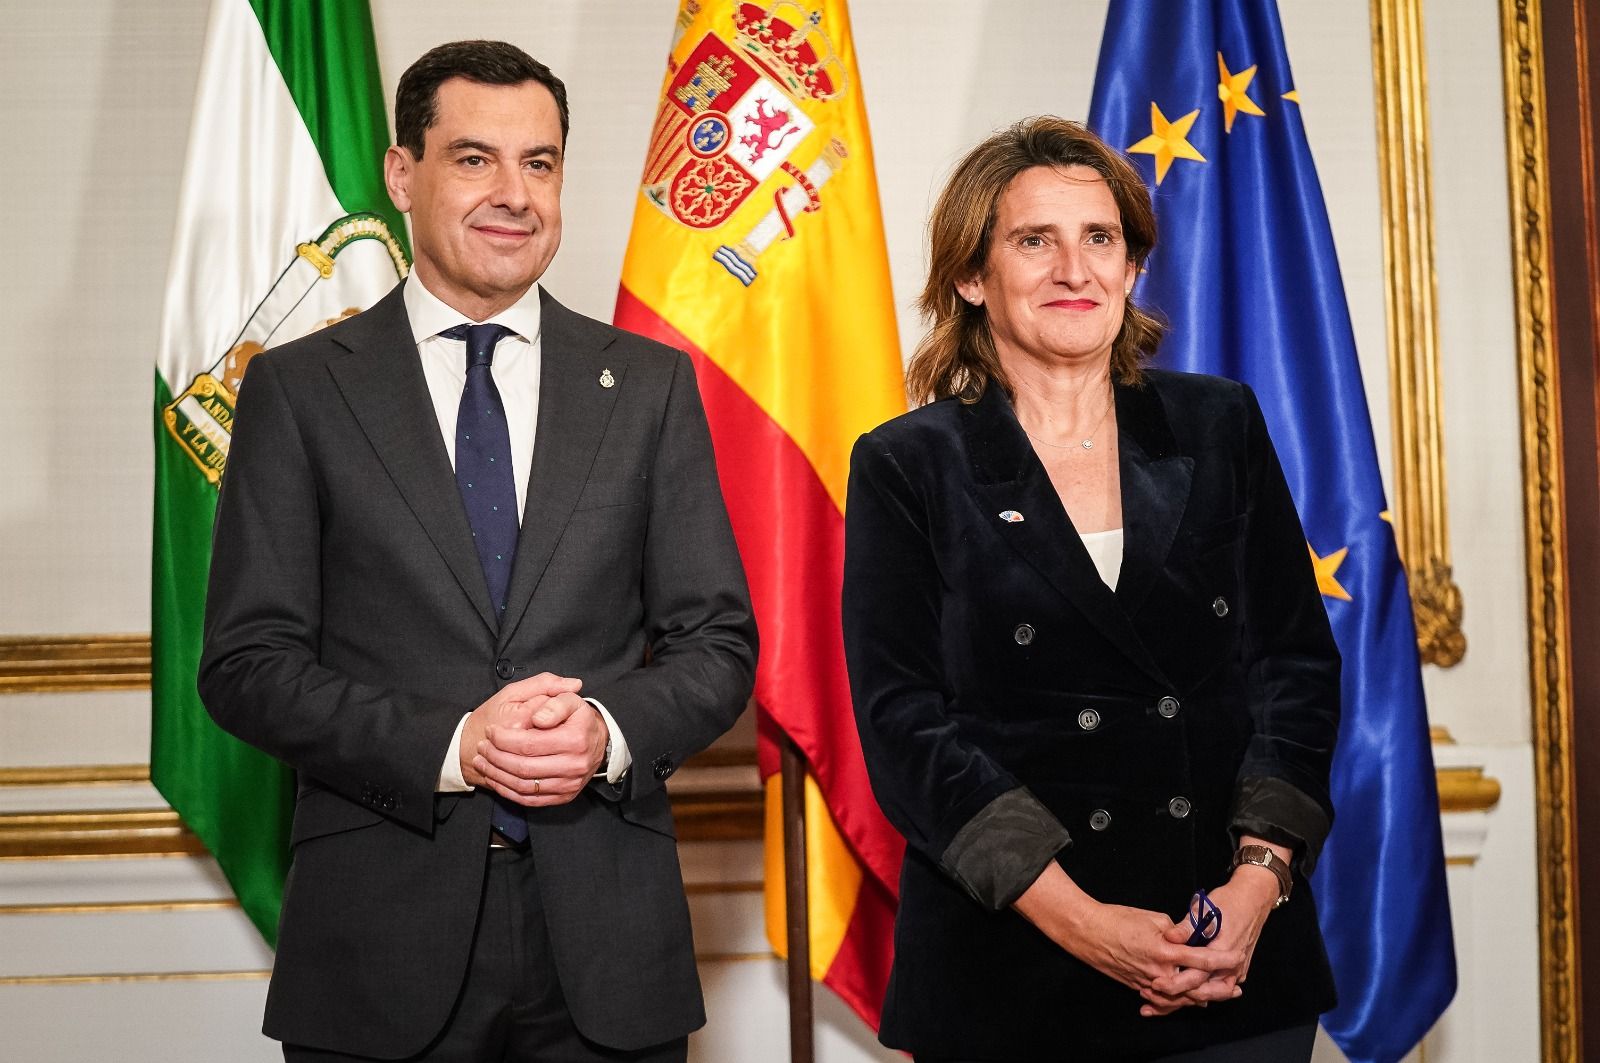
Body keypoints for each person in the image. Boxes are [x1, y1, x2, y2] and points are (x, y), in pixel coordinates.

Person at [198, 40, 756, 1063]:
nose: (513, 194)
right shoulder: (299, 390)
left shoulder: (646, 385)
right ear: (401, 172)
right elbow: (247, 666)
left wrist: (602, 729)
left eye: (538, 163)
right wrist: (455, 745)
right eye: (474, 159)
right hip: (377, 941)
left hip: (608, 944)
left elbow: (716, 641)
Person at [841, 116, 1340, 1062]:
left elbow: (1294, 664)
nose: (1075, 268)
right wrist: (1082, 923)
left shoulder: (1218, 421)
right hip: (1012, 971)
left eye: (1100, 238)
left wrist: (1256, 882)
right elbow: (905, 723)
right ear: (972, 276)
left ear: (1130, 266)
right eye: (1036, 240)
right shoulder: (909, 464)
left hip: (1226, 958)